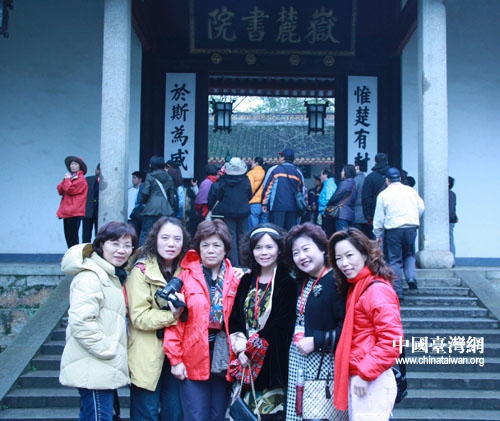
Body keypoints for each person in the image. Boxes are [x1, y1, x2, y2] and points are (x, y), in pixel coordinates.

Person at [163, 219, 241, 421]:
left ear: (226, 249)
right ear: (198, 248)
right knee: (196, 416)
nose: (210, 250)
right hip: (193, 356)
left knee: (218, 415)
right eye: (205, 245)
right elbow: (175, 322)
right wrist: (175, 360)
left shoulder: (236, 278)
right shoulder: (186, 278)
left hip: (224, 358)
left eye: (216, 245)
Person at [59, 221, 137, 420]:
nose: (121, 250)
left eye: (127, 245)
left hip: (100, 368)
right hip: (94, 367)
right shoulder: (91, 277)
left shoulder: (112, 276)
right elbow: (81, 323)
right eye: (115, 243)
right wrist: (108, 349)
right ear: (101, 244)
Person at [329, 228, 403, 420]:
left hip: (371, 378)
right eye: (338, 258)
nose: (344, 263)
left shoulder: (375, 289)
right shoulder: (357, 287)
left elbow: (392, 340)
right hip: (362, 375)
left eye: (349, 255)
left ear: (364, 254)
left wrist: (365, 373)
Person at [228, 224, 296, 419]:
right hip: (245, 360)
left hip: (272, 361)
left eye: (269, 247)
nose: (264, 252)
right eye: (258, 247)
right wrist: (240, 349)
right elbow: (235, 319)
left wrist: (250, 350)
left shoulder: (287, 282)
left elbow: (281, 325)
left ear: (279, 249)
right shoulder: (246, 280)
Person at [126, 217, 189, 421]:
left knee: (174, 413)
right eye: (165, 238)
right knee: (146, 413)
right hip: (146, 353)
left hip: (178, 355)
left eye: (177, 239)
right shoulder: (141, 271)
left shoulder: (188, 271)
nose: (171, 244)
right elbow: (139, 316)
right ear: (155, 239)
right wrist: (172, 316)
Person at [284, 223, 347, 421]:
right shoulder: (302, 281)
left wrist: (316, 341)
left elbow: (348, 329)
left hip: (324, 365)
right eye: (296, 253)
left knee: (319, 415)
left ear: (322, 248)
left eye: (306, 249)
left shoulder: (336, 281)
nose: (301, 256)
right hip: (298, 361)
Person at [373, 168, 425, 299]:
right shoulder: (411, 191)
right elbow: (421, 207)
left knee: (395, 259)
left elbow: (379, 217)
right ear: (400, 179)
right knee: (410, 254)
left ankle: (397, 289)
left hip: (393, 229)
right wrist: (414, 218)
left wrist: (378, 233)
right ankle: (411, 277)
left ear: (387, 180)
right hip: (410, 227)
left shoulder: (384, 194)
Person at [216, 157, 252, 266]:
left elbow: (219, 196)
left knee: (231, 236)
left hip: (229, 212)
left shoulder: (224, 181)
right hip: (243, 211)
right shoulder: (246, 180)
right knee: (243, 236)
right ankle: (244, 262)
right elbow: (250, 195)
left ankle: (234, 263)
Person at [262, 148, 305, 230]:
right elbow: (302, 191)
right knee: (290, 233)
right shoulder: (298, 172)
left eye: (280, 156)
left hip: (277, 207)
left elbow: (267, 187)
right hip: (293, 208)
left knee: (277, 232)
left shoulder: (274, 170)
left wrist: (264, 203)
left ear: (283, 158)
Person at [139, 156, 177, 246]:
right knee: (164, 233)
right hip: (165, 209)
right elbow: (171, 196)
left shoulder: (150, 176)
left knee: (146, 232)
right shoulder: (169, 177)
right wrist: (170, 207)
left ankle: (142, 252)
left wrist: (144, 201)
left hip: (151, 208)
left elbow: (145, 192)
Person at [56, 156, 89, 248]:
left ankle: (74, 254)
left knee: (73, 237)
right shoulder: (71, 177)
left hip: (75, 212)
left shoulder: (81, 179)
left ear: (80, 166)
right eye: (71, 164)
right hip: (67, 212)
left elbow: (70, 190)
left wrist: (67, 180)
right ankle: (70, 254)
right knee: (68, 236)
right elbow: (60, 190)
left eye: (75, 164)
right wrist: (66, 179)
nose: (73, 166)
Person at [361, 153, 390, 237]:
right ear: (387, 162)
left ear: (375, 162)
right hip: (392, 213)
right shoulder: (392, 176)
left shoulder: (370, 177)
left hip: (376, 212)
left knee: (377, 238)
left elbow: (366, 198)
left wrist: (368, 215)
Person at [324, 164, 357, 237]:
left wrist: (329, 203)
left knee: (342, 236)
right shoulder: (353, 183)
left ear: (346, 172)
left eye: (342, 171)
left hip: (342, 213)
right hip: (349, 213)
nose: (341, 173)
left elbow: (336, 196)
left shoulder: (345, 183)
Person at [246, 157, 267, 229]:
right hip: (265, 203)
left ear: (256, 163)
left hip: (254, 202)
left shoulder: (251, 173)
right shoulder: (266, 172)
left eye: (252, 162)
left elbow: (249, 188)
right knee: (264, 226)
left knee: (253, 227)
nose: (251, 164)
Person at [352, 162, 371, 238]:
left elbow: (352, 194)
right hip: (365, 212)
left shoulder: (356, 179)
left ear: (357, 167)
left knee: (356, 236)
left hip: (356, 211)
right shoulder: (365, 178)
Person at [82, 164, 100, 243]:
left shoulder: (88, 179)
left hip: (88, 209)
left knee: (86, 234)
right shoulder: (109, 181)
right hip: (99, 211)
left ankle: (86, 248)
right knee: (99, 234)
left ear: (97, 170)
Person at [128, 170, 144, 235]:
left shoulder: (144, 190)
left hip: (140, 216)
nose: (133, 180)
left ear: (140, 179)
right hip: (131, 216)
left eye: (134, 178)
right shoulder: (130, 190)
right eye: (132, 178)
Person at [449, 176, 458, 259]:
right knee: (450, 240)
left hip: (449, 220)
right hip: (451, 219)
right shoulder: (452, 194)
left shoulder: (449, 194)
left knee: (450, 240)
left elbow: (451, 209)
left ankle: (452, 259)